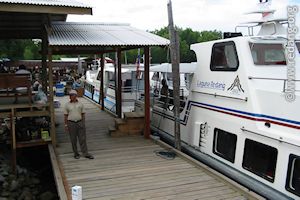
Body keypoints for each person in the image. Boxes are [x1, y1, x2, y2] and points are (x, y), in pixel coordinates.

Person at [64, 90, 94, 159]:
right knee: (73, 139)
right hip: (71, 123)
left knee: (82, 138)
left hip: (79, 122)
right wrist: (66, 125)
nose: (70, 96)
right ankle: (76, 153)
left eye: (72, 95)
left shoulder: (80, 104)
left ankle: (85, 153)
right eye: (70, 95)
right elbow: (65, 115)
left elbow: (83, 114)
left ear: (75, 96)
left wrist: (83, 123)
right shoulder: (67, 105)